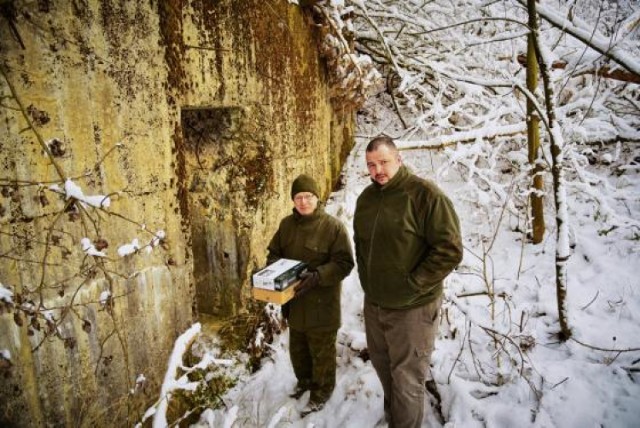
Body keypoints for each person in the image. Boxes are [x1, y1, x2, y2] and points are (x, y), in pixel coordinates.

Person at [353, 135, 463, 428]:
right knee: (385, 370)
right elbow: (361, 244)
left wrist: (412, 285)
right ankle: (396, 420)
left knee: (407, 380)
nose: (378, 170)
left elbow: (449, 250)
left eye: (384, 162)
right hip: (376, 305)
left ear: (399, 160)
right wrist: (368, 282)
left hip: (412, 309)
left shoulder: (425, 196)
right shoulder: (366, 199)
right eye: (371, 165)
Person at [266, 174, 354, 414]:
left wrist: (318, 275)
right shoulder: (286, 226)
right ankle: (304, 382)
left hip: (322, 306)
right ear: (293, 200)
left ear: (317, 198)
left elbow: (345, 263)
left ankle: (322, 391)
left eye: (308, 197)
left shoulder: (332, 227)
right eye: (298, 197)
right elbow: (273, 253)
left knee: (322, 354)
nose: (303, 202)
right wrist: (275, 272)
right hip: (295, 304)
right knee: (299, 352)